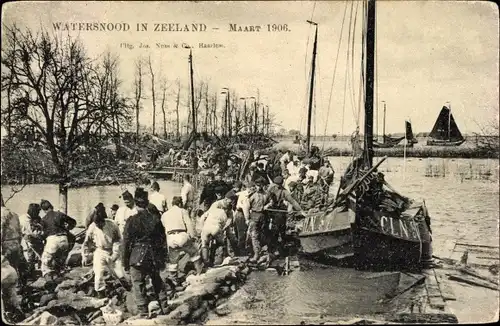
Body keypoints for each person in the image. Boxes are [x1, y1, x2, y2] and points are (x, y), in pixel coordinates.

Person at [122, 188, 169, 317]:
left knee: (138, 283)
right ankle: (164, 307)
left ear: (136, 204)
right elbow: (162, 240)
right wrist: (163, 258)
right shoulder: (155, 220)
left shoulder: (131, 221)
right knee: (157, 280)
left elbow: (125, 243)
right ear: (147, 203)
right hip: (153, 255)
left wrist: (124, 262)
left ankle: (143, 312)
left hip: (136, 256)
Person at [82, 204, 127, 298]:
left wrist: (115, 253)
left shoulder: (112, 224)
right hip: (100, 251)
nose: (98, 225)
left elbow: (118, 240)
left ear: (104, 220)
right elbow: (86, 243)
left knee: (120, 273)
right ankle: (101, 295)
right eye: (97, 223)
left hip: (112, 250)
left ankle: (128, 291)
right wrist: (85, 256)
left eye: (100, 223)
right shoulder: (92, 227)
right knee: (98, 274)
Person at [161, 196, 202, 282]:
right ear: (180, 204)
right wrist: (193, 236)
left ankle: (174, 279)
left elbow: (164, 228)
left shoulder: (165, 214)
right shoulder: (183, 211)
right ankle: (199, 273)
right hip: (181, 235)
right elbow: (189, 224)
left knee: (173, 260)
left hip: (170, 237)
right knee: (195, 253)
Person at [266, 176, 304, 257]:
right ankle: (271, 249)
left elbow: (292, 201)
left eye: (278, 185)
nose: (276, 186)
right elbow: (265, 198)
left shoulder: (284, 191)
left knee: (280, 230)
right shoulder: (270, 188)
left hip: (279, 212)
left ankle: (280, 249)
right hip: (270, 210)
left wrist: (300, 210)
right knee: (271, 231)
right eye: (276, 185)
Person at [39, 200, 76, 279]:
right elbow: (73, 222)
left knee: (45, 267)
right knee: (59, 264)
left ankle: (50, 283)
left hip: (52, 240)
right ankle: (59, 280)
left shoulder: (43, 219)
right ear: (51, 207)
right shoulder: (60, 214)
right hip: (64, 239)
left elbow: (43, 235)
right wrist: (68, 228)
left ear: (43, 210)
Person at [1, 197, 30, 288]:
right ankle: (22, 288)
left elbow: (1, 230)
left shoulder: (1, 213)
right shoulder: (14, 214)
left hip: (6, 244)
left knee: (6, 270)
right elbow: (19, 231)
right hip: (16, 242)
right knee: (16, 267)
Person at [199, 201, 232, 267]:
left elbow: (202, 218)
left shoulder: (212, 210)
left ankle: (206, 261)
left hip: (206, 228)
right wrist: (221, 231)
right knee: (220, 243)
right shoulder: (223, 213)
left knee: (204, 245)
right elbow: (224, 224)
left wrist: (202, 227)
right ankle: (218, 261)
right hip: (216, 228)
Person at [19, 203, 44, 275]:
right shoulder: (23, 219)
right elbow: (25, 232)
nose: (38, 213)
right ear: (33, 211)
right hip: (26, 241)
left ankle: (32, 270)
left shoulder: (37, 218)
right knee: (29, 258)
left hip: (34, 240)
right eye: (37, 211)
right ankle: (30, 272)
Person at [247, 178, 268, 263]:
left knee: (263, 234)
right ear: (255, 186)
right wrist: (247, 219)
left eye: (261, 185)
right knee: (254, 235)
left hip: (263, 216)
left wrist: (268, 205)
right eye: (257, 186)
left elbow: (271, 202)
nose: (259, 187)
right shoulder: (252, 195)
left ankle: (262, 253)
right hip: (254, 216)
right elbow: (247, 207)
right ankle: (256, 254)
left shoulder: (266, 194)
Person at [234, 183, 251, 255]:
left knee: (240, 232)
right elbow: (245, 208)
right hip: (241, 214)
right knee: (242, 232)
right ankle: (241, 250)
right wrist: (247, 219)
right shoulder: (245, 196)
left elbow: (236, 194)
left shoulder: (243, 193)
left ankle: (240, 249)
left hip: (240, 213)